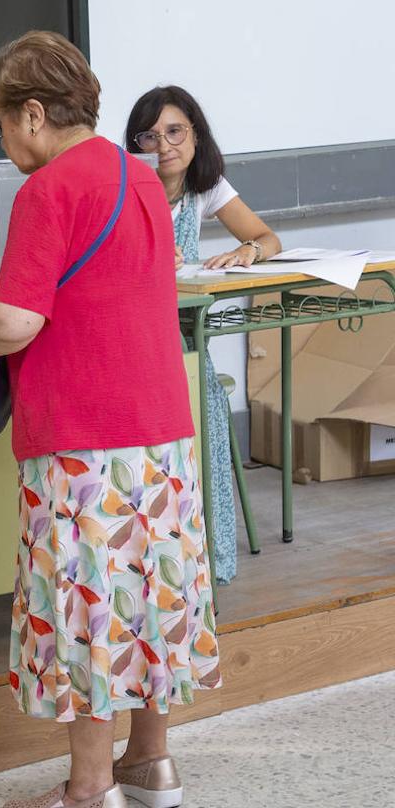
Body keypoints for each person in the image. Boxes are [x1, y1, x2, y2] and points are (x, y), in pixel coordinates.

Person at [0, 32, 220, 808]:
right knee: (149, 594)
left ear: (32, 114)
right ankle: (150, 765)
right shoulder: (141, 178)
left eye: (0, 123)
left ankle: (89, 790)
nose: (4, 140)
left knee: (87, 608)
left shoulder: (49, 190)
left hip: (83, 439)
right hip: (160, 427)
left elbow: (17, 321)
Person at [126, 85, 282, 584]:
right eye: (150, 136)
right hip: (135, 342)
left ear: (195, 136)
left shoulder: (205, 190)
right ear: (135, 144)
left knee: (209, 414)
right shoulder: (123, 190)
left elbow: (267, 238)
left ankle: (207, 561)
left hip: (188, 340)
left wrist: (248, 253)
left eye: (175, 132)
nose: (164, 145)